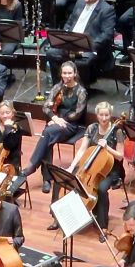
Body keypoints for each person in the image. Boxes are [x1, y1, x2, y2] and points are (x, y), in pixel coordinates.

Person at [10, 61, 87, 196]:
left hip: (70, 125)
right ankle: (46, 179)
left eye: (69, 73)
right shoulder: (58, 87)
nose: (67, 76)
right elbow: (45, 107)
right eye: (64, 73)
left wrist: (62, 120)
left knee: (47, 133)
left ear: (75, 74)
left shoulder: (81, 91)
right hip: (56, 123)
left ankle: (32, 168)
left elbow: (78, 113)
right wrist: (55, 118)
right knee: (48, 136)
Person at [65, 101, 125, 234]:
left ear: (110, 115)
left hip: (110, 170)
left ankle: (103, 226)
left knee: (101, 189)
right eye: (101, 115)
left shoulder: (118, 131)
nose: (104, 118)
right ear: (97, 115)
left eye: (107, 115)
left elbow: (120, 156)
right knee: (67, 179)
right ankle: (60, 218)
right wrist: (71, 166)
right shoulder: (92, 128)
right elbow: (82, 149)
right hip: (90, 167)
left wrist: (107, 147)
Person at [45, 0, 115, 88]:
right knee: (51, 53)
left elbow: (107, 35)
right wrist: (65, 37)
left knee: (82, 61)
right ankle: (59, 87)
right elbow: (69, 23)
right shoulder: (79, 3)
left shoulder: (106, 10)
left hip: (89, 47)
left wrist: (88, 46)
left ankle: (80, 89)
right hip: (71, 43)